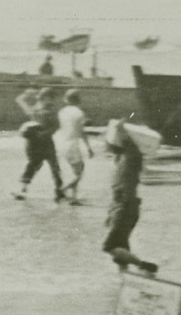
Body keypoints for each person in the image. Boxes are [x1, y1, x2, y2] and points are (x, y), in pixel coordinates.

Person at [102, 120, 156, 274]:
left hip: (125, 207)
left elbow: (129, 142)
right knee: (121, 248)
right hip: (121, 207)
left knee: (110, 247)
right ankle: (125, 278)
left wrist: (121, 129)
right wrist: (110, 214)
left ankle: (143, 265)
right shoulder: (121, 159)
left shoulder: (132, 156)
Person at [13, 87, 63, 202]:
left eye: (52, 99)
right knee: (35, 166)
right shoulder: (40, 110)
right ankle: (22, 190)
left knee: (53, 167)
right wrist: (31, 93)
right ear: (44, 98)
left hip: (43, 142)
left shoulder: (40, 110)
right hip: (38, 143)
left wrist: (30, 94)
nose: (52, 101)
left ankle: (58, 190)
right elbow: (19, 100)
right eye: (50, 98)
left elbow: (55, 127)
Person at [57, 89, 92, 204]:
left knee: (75, 171)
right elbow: (82, 132)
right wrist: (89, 148)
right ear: (78, 99)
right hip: (72, 144)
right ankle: (63, 190)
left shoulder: (61, 112)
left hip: (61, 143)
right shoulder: (79, 113)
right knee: (79, 172)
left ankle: (74, 197)